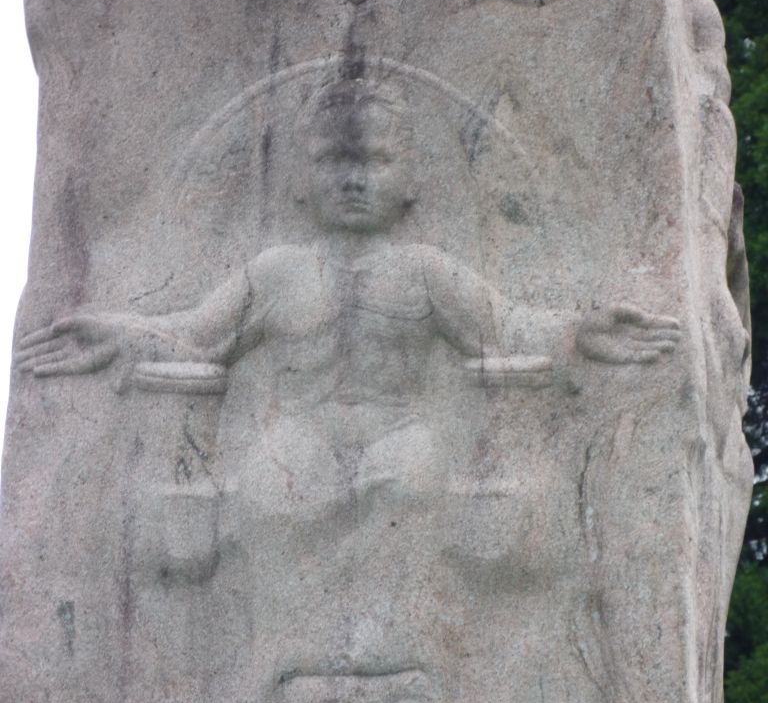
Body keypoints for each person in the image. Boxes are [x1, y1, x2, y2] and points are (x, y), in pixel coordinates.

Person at [16, 78, 681, 507]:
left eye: (375, 161)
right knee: (274, 489)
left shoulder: (425, 271)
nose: (353, 179)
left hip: (404, 438)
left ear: (410, 179)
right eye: (333, 162)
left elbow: (505, 328)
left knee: (411, 484)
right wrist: (119, 336)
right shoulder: (275, 273)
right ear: (300, 180)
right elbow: (195, 338)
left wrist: (580, 333)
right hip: (295, 441)